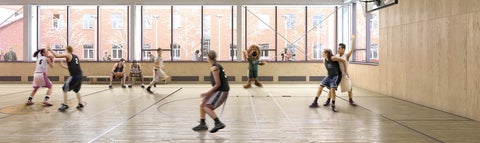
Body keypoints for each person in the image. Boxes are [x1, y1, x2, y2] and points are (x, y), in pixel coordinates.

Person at [192, 50, 229, 133]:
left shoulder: (214, 68)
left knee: (206, 106)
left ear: (209, 57)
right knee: (202, 104)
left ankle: (218, 123)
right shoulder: (216, 66)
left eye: (207, 56)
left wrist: (207, 93)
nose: (206, 58)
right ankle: (202, 124)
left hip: (222, 91)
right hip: (218, 90)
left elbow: (218, 84)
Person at [48, 46, 84, 112]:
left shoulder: (68, 54)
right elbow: (72, 67)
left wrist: (50, 49)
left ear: (67, 50)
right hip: (80, 75)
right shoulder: (75, 56)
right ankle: (80, 103)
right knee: (76, 90)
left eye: (65, 50)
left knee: (64, 89)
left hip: (74, 76)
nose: (65, 51)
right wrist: (64, 66)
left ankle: (65, 105)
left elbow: (57, 56)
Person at [334, 35, 356, 106]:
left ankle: (351, 100)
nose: (338, 49)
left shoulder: (346, 56)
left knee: (350, 89)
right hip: (337, 75)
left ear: (343, 49)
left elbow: (352, 50)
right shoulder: (336, 55)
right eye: (338, 48)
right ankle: (328, 100)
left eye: (339, 48)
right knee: (332, 88)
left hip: (345, 75)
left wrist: (352, 40)